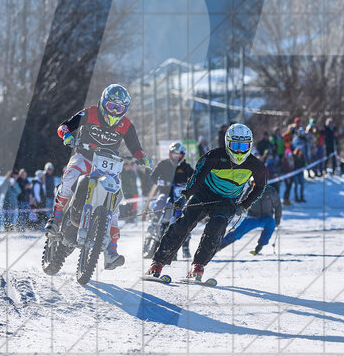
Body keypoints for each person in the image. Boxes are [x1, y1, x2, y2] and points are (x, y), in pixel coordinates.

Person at [46, 84, 152, 269]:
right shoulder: (91, 113)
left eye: (120, 108)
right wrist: (68, 136)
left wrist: (142, 158)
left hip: (109, 166)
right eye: (112, 106)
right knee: (69, 178)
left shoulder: (126, 125)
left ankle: (111, 251)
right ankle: (55, 219)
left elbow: (136, 148)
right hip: (84, 157)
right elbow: (64, 126)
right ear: (104, 103)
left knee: (115, 205)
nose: (115, 111)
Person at [147, 123, 269, 283]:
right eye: (235, 146)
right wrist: (185, 196)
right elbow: (196, 179)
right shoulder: (213, 156)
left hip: (227, 201)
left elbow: (260, 187)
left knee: (216, 228)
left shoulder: (255, 165)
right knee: (184, 224)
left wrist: (244, 205)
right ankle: (157, 263)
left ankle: (198, 266)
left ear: (250, 145)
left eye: (243, 146)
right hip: (203, 195)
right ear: (227, 143)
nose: (239, 151)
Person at [147, 141, 195, 259]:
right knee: (159, 204)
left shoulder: (186, 167)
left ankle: (185, 247)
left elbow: (195, 178)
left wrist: (189, 186)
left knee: (185, 217)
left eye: (179, 155)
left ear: (182, 155)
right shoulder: (164, 164)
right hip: (165, 193)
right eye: (174, 154)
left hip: (180, 196)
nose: (176, 157)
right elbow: (153, 176)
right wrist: (159, 182)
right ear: (170, 154)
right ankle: (154, 224)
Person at [219, 165, 282, 255]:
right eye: (253, 184)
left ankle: (260, 245)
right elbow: (240, 202)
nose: (256, 186)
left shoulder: (270, 191)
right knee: (238, 233)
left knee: (271, 223)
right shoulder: (249, 191)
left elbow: (278, 205)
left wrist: (277, 219)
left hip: (266, 217)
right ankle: (219, 245)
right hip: (252, 217)